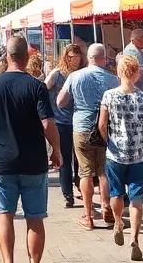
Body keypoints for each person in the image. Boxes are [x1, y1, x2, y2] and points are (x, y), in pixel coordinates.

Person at [0, 36, 62, 263]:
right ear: (27, 57)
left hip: (3, 161)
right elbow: (47, 124)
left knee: (4, 215)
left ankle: (8, 261)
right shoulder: (37, 86)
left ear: (7, 56)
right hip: (34, 161)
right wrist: (56, 150)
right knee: (34, 217)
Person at [99, 54, 143, 262]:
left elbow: (101, 124)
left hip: (116, 153)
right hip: (140, 154)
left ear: (119, 72)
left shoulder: (109, 96)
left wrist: (108, 141)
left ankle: (117, 222)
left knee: (116, 193)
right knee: (136, 198)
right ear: (135, 73)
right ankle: (135, 238)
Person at [58, 42, 119, 231]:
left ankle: (89, 215)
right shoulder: (113, 79)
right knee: (103, 169)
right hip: (105, 128)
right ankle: (106, 205)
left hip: (82, 126)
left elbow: (61, 102)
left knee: (85, 171)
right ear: (104, 58)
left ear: (88, 57)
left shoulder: (75, 76)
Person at [45, 44, 85, 208]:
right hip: (61, 122)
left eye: (76, 56)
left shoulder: (82, 74)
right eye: (70, 56)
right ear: (65, 57)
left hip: (79, 121)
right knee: (65, 159)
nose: (74, 59)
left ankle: (81, 187)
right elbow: (43, 89)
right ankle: (67, 194)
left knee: (80, 160)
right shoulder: (57, 73)